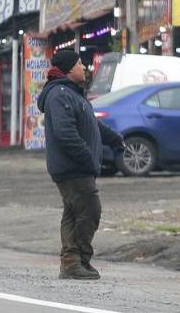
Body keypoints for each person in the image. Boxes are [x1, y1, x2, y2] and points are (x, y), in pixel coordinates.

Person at [37, 49, 125, 280]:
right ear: (68, 69)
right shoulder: (60, 95)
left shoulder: (73, 94)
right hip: (72, 167)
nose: (84, 67)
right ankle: (75, 261)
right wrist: (88, 158)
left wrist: (114, 139)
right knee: (90, 210)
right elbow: (66, 134)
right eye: (79, 64)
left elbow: (91, 125)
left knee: (74, 213)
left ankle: (74, 262)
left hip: (76, 166)